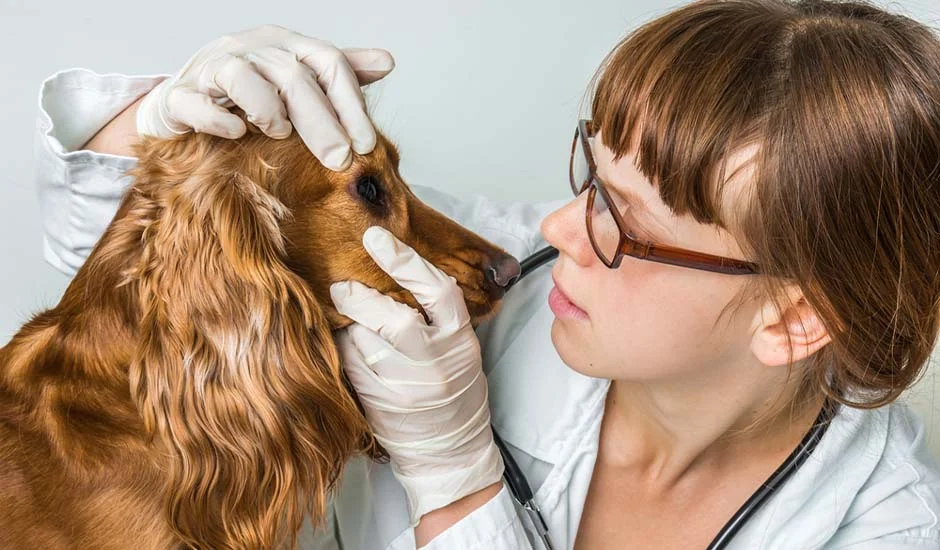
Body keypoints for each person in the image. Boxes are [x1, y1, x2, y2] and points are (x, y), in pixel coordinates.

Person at [29, 0, 940, 548]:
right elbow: (145, 327)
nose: (552, 228)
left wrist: (460, 481)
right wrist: (154, 125)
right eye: (593, 175)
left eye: (626, 224)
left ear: (791, 320)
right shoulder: (498, 273)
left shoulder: (883, 527)